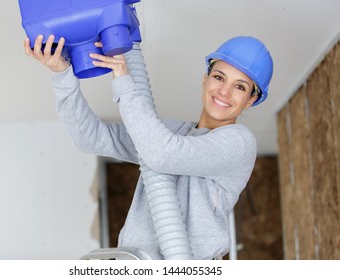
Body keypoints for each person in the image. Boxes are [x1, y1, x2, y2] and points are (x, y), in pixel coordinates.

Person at [24, 34, 273, 260]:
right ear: (205, 79)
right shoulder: (171, 133)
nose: (224, 91)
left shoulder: (239, 142)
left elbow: (163, 155)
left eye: (240, 86)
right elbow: (91, 137)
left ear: (251, 99)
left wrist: (123, 80)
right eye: (219, 77)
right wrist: (62, 75)